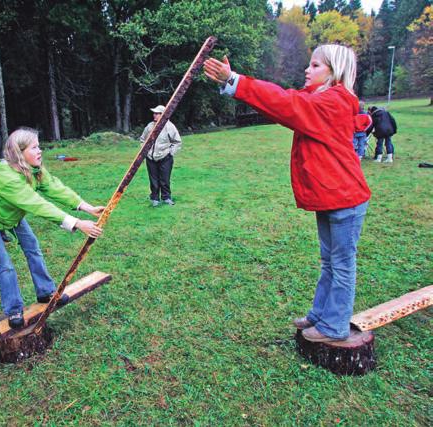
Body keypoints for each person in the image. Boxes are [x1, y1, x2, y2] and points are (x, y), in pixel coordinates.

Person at [204, 44, 371, 343]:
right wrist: (232, 83)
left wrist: (237, 80)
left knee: (342, 265)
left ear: (335, 72)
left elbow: (286, 103)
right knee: (330, 261)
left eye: (316, 65)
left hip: (345, 198)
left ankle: (334, 327)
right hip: (334, 196)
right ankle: (320, 316)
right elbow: (283, 100)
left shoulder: (333, 101)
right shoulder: (322, 98)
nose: (308, 70)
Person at [0, 127, 104, 329]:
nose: (40, 151)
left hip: (12, 212)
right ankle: (14, 309)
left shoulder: (33, 169)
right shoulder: (7, 178)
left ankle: (46, 292)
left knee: (32, 246)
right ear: (19, 153)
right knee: (4, 262)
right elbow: (37, 204)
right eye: (34, 147)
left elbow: (55, 187)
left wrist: (86, 207)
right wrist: (76, 223)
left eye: (39, 146)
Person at [140, 105, 182, 207]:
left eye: (157, 113)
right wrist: (145, 152)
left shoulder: (169, 126)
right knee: (153, 180)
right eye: (154, 113)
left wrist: (170, 153)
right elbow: (142, 140)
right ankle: (154, 198)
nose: (154, 115)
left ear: (163, 115)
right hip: (150, 158)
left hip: (165, 157)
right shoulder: (149, 126)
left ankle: (166, 198)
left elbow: (177, 142)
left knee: (165, 179)